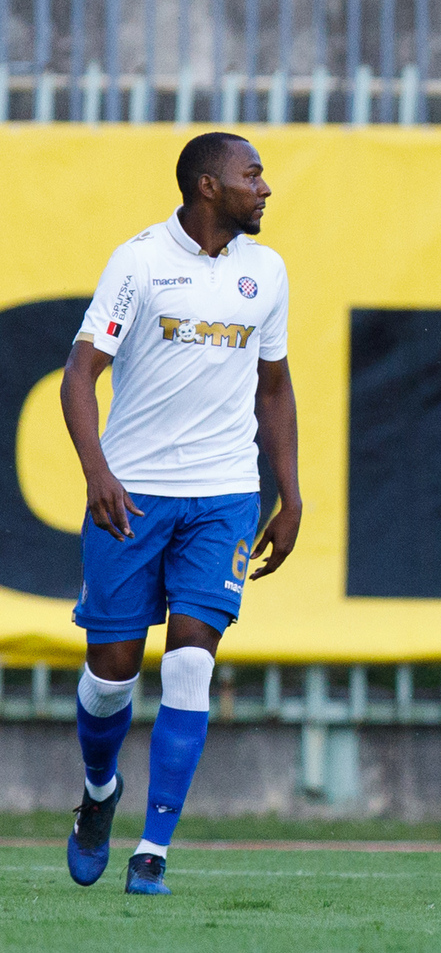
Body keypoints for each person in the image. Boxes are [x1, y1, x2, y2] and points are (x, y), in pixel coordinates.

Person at [60, 132, 300, 896]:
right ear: (207, 185)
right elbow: (79, 374)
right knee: (113, 673)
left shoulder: (267, 272)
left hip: (224, 494)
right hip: (131, 494)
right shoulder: (139, 261)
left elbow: (274, 388)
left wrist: (290, 492)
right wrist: (98, 471)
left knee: (193, 657)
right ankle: (99, 792)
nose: (264, 187)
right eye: (250, 174)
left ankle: (153, 849)